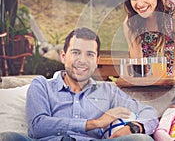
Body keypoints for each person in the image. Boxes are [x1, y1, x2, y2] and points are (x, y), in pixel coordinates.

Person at [0, 27, 158, 141]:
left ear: (96, 61)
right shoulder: (42, 86)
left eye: (89, 54)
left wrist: (134, 127)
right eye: (76, 52)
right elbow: (38, 126)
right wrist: (95, 123)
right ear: (63, 56)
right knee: (7, 137)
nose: (82, 60)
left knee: (140, 140)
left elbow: (149, 113)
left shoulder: (108, 91)